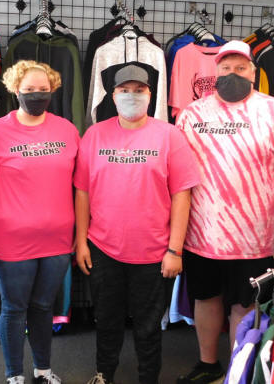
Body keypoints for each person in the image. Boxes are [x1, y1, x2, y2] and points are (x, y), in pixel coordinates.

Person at [174, 40, 274, 384]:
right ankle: (208, 363)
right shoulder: (192, 114)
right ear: (216, 72)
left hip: (254, 239)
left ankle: (238, 370)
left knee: (245, 305)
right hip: (201, 235)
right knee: (206, 298)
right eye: (225, 68)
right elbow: (176, 175)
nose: (232, 73)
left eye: (240, 68)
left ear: (253, 72)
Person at [75, 63, 201, 384]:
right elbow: (82, 191)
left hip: (155, 253)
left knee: (148, 326)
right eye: (124, 90)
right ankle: (104, 375)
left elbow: (182, 195)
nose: (131, 95)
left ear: (150, 94)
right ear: (112, 95)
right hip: (104, 249)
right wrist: (81, 241)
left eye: (139, 89)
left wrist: (175, 250)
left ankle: (148, 378)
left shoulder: (170, 136)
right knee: (107, 321)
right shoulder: (94, 135)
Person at [0, 60, 79, 384]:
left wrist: (79, 234)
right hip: (11, 240)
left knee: (43, 307)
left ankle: (42, 370)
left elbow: (79, 186)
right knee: (14, 308)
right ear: (15, 90)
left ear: (53, 90)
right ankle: (14, 375)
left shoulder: (67, 130)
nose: (37, 95)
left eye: (43, 89)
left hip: (57, 240)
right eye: (29, 89)